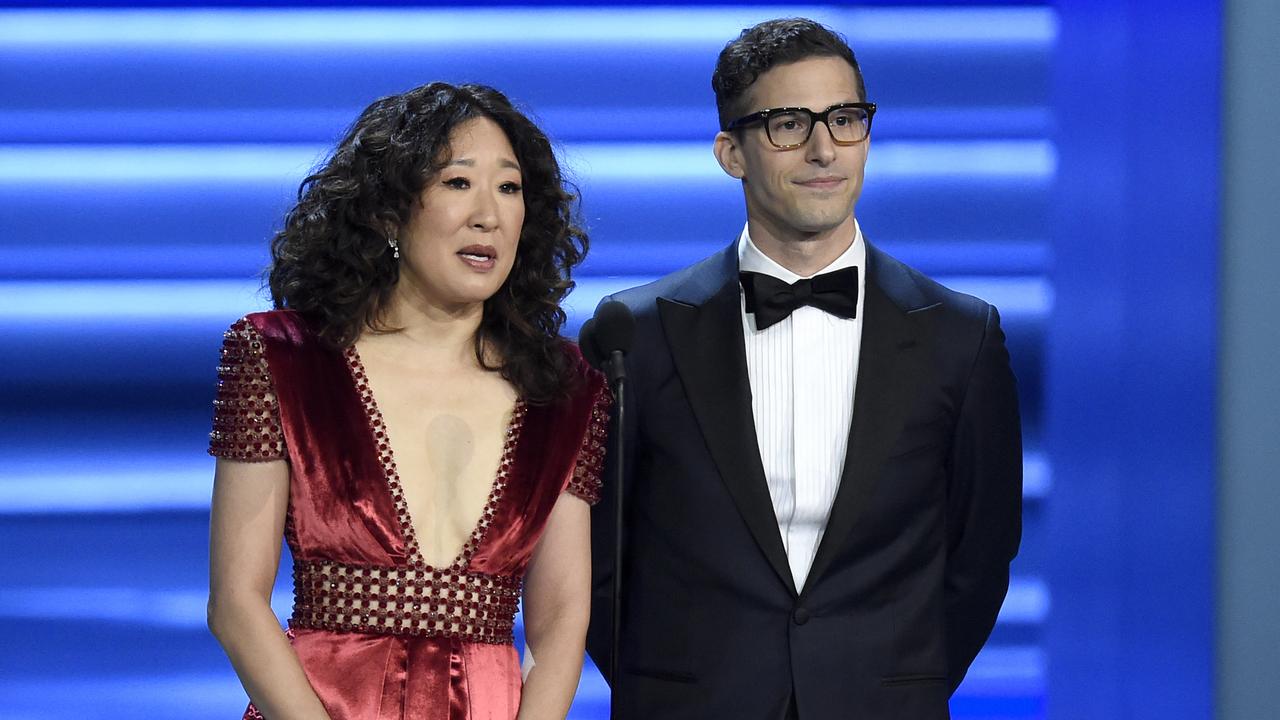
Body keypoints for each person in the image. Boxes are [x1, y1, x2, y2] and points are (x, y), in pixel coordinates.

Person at [585, 18, 1022, 720]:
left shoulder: (961, 336)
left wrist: (895, 681)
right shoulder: (633, 334)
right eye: (789, 124)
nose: (825, 149)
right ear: (732, 152)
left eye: (845, 119)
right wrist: (664, 685)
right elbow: (598, 561)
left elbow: (981, 556)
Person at [206, 82, 608, 720]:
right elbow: (235, 601)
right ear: (388, 212)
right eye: (457, 183)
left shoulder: (567, 388)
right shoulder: (280, 356)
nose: (489, 214)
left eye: (509, 188)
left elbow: (559, 623)